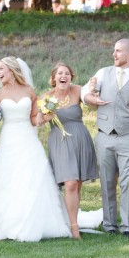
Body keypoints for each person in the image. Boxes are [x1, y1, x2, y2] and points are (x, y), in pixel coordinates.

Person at [0, 57, 71, 242]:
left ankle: (39, 222)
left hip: (28, 138)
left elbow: (34, 119)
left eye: (1, 69)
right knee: (10, 178)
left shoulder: (29, 91)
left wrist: (44, 116)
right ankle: (9, 222)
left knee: (32, 177)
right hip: (9, 137)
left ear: (12, 70)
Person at [81, 38, 129, 236]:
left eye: (118, 51)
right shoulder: (103, 73)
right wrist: (91, 97)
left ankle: (127, 226)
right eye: (114, 50)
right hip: (104, 135)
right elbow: (84, 93)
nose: (114, 54)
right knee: (107, 182)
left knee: (128, 183)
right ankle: (109, 225)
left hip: (128, 136)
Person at [37, 63, 99, 240]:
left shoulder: (78, 90)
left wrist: (93, 91)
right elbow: (36, 120)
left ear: (71, 77)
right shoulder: (46, 97)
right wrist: (44, 116)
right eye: (59, 73)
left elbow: (91, 102)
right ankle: (74, 228)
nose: (63, 76)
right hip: (60, 141)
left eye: (67, 73)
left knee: (77, 185)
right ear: (54, 78)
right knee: (70, 183)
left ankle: (73, 219)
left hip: (80, 139)